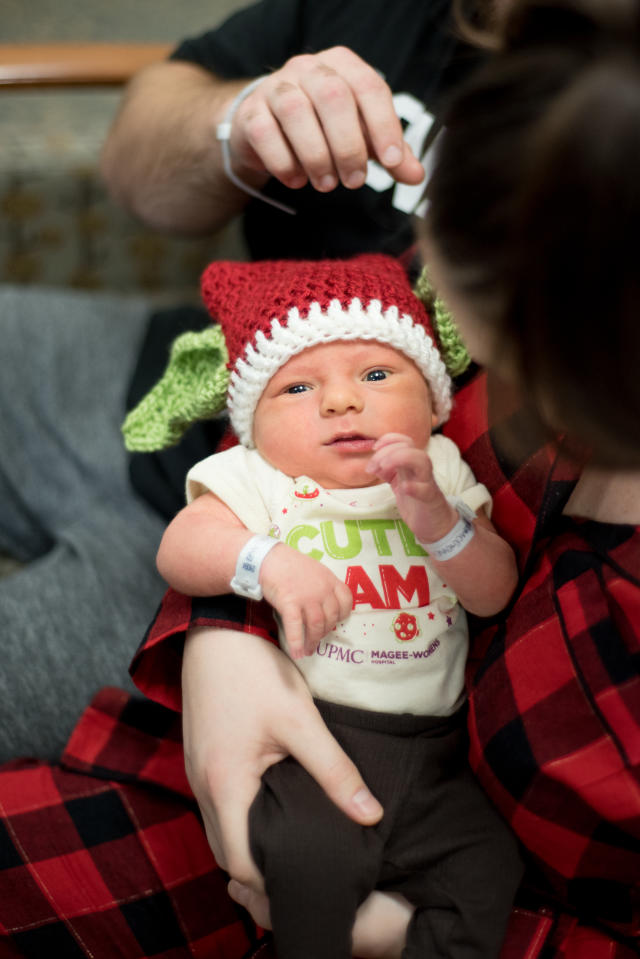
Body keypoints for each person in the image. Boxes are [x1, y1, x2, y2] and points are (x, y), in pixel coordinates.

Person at [0, 2, 637, 958]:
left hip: (314, 816)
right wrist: (227, 630)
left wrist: (391, 931)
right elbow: (300, 402)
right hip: (215, 515)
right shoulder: (488, 351)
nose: (419, 274)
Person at [0, 0, 478, 760]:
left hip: (255, 588)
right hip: (156, 374)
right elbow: (135, 157)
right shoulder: (383, 10)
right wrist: (238, 118)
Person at [135, 253, 521, 958]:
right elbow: (181, 547)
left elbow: (494, 589)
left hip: (439, 756)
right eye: (298, 387)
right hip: (314, 739)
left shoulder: (438, 467)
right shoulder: (261, 475)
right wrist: (267, 561)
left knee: (491, 873)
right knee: (309, 862)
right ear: (253, 424)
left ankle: (408, 942)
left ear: (435, 403)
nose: (341, 401)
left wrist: (440, 522)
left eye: (376, 374)